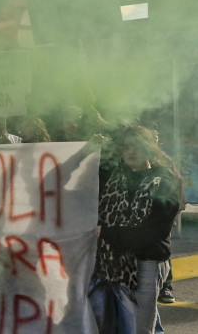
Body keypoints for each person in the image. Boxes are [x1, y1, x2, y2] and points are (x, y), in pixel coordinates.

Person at [90, 124, 181, 334]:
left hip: (146, 263)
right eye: (126, 147)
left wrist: (110, 233)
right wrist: (91, 149)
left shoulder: (163, 181)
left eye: (136, 147)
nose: (130, 152)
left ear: (149, 148)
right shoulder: (116, 177)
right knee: (126, 323)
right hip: (117, 264)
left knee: (140, 328)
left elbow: (152, 233)